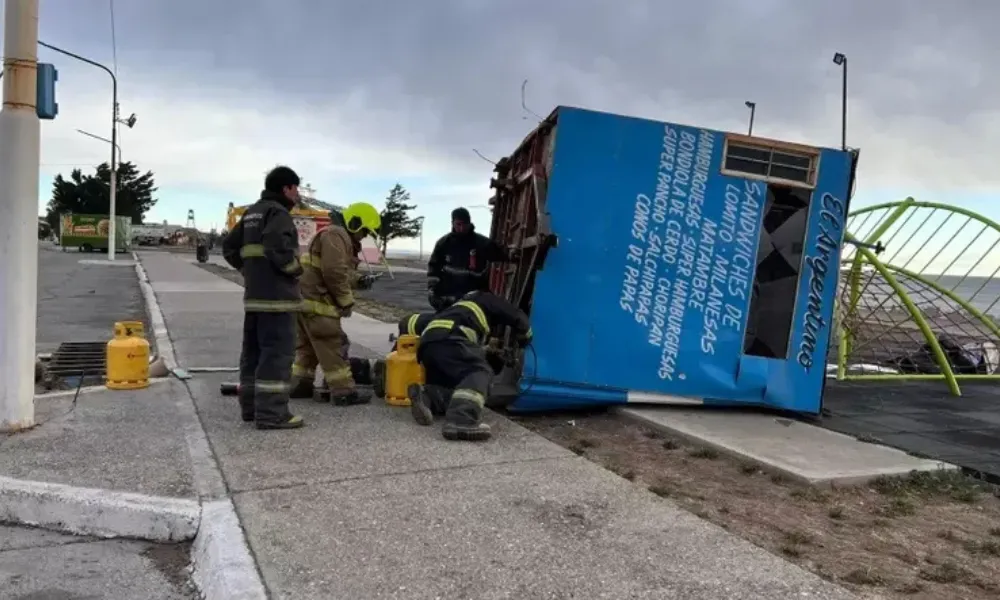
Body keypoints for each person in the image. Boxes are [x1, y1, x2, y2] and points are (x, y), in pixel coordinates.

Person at [222, 166, 305, 430]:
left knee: (253, 354)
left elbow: (229, 247)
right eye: (296, 188)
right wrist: (294, 270)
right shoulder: (277, 212)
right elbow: (276, 246)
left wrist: (249, 270)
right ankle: (272, 414)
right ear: (286, 188)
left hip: (255, 298)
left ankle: (251, 407)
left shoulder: (252, 213)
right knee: (277, 355)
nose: (298, 194)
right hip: (278, 299)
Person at [407, 290, 532, 442]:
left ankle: (428, 397)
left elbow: (410, 322)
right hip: (452, 341)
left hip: (428, 348)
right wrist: (525, 338)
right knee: (480, 371)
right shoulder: (486, 299)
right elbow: (518, 316)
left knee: (455, 388)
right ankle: (461, 419)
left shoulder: (455, 309)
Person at [290, 202, 382, 405]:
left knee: (307, 347)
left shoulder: (333, 235)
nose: (364, 236)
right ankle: (343, 391)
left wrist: (359, 280)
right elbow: (334, 272)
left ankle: (300, 384)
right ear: (355, 223)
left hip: (305, 302)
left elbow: (335, 270)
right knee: (333, 343)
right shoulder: (337, 234)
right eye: (364, 230)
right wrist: (346, 301)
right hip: (318, 304)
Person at [426, 207, 516, 311]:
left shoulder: (482, 243)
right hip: (449, 297)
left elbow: (500, 253)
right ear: (452, 223)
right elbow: (433, 267)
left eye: (464, 224)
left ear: (469, 223)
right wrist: (432, 289)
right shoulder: (443, 243)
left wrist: (512, 254)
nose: (461, 228)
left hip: (474, 297)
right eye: (458, 224)